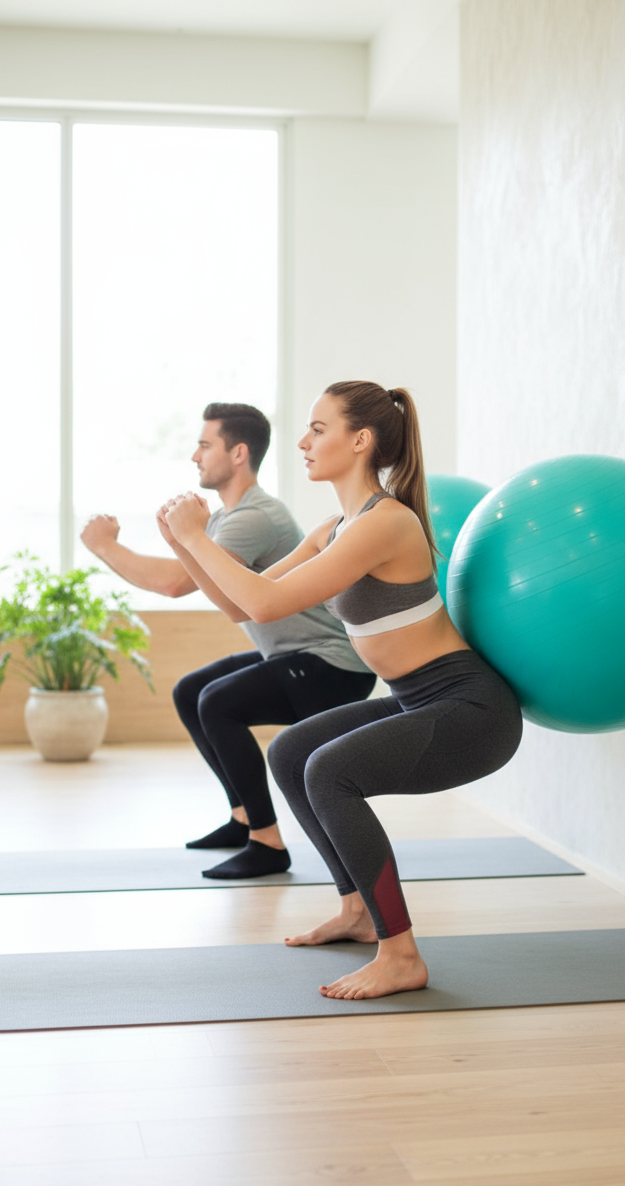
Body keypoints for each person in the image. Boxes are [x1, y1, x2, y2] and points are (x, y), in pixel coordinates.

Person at [161, 381, 523, 1000]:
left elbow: (265, 601)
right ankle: (357, 909)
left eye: (318, 429)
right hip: (417, 698)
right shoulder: (334, 528)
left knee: (330, 771)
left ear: (361, 441)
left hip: (470, 709)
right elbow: (241, 606)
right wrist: (184, 545)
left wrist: (197, 539)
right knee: (290, 753)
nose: (303, 441)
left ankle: (401, 954)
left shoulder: (387, 523)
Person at [81, 402, 375, 879]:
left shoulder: (256, 516)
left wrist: (105, 546)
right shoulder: (223, 519)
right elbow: (197, 581)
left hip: (331, 666)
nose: (195, 456)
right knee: (191, 691)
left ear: (238, 453)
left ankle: (267, 842)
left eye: (204, 445)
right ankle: (243, 818)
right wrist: (179, 540)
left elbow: (176, 583)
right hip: (293, 656)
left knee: (218, 703)